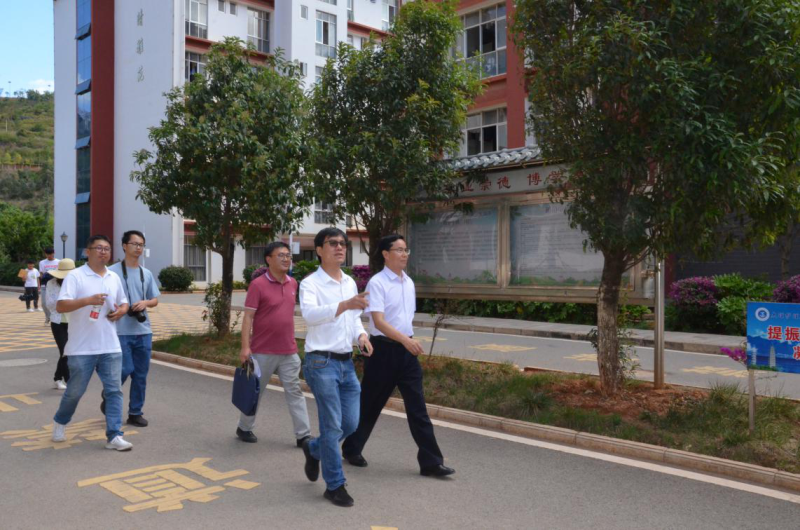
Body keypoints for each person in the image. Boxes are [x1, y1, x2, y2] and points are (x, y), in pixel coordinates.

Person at [342, 235, 455, 478]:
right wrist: (406, 340)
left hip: (406, 353)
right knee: (370, 405)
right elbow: (379, 322)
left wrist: (407, 341)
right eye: (399, 250)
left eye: (406, 250)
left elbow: (405, 319)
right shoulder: (378, 283)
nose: (404, 254)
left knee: (418, 408)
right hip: (383, 352)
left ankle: (431, 462)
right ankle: (351, 448)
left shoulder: (408, 282)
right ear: (385, 254)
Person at [299, 227, 373, 508]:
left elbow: (353, 319)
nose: (340, 247)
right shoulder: (310, 284)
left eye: (343, 243)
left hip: (346, 362)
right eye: (333, 243)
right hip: (321, 362)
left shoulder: (349, 282)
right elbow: (310, 315)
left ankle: (313, 449)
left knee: (350, 423)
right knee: (331, 425)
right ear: (319, 250)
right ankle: (335, 485)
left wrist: (361, 336)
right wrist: (344, 304)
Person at [52, 235, 132, 451]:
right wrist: (88, 300)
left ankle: (114, 436)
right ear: (88, 252)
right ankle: (60, 421)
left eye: (107, 248)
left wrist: (121, 311)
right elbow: (61, 306)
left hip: (110, 345)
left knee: (114, 391)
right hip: (81, 348)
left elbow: (124, 302)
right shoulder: (76, 276)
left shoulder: (113, 277)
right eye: (99, 248)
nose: (103, 252)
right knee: (75, 392)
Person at [236, 241, 311, 446]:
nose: (286, 259)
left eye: (288, 255)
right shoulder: (258, 285)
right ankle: (244, 427)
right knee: (255, 392)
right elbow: (248, 317)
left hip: (289, 350)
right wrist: (245, 347)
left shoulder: (292, 283)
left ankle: (303, 435)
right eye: (281, 255)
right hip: (263, 351)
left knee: (295, 391)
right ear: (268, 259)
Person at [108, 230, 160, 427]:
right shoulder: (111, 272)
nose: (138, 248)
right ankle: (109, 394)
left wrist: (145, 303)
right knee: (125, 369)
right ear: (124, 246)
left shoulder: (146, 273)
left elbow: (155, 299)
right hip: (119, 331)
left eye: (141, 245)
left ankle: (135, 412)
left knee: (140, 375)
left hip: (143, 331)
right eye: (134, 244)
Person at [45, 258, 76, 390]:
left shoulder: (77, 281)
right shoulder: (51, 283)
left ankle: (57, 378)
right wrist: (65, 300)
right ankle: (69, 382)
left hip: (74, 321)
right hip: (58, 321)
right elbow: (50, 304)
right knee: (65, 351)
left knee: (68, 351)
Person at [39, 247, 60, 324]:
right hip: (45, 285)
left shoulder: (58, 262)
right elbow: (41, 274)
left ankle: (55, 317)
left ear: (53, 253)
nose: (49, 256)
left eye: (50, 254)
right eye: (47, 254)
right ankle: (48, 316)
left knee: (55, 302)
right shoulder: (42, 262)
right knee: (44, 303)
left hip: (55, 285)